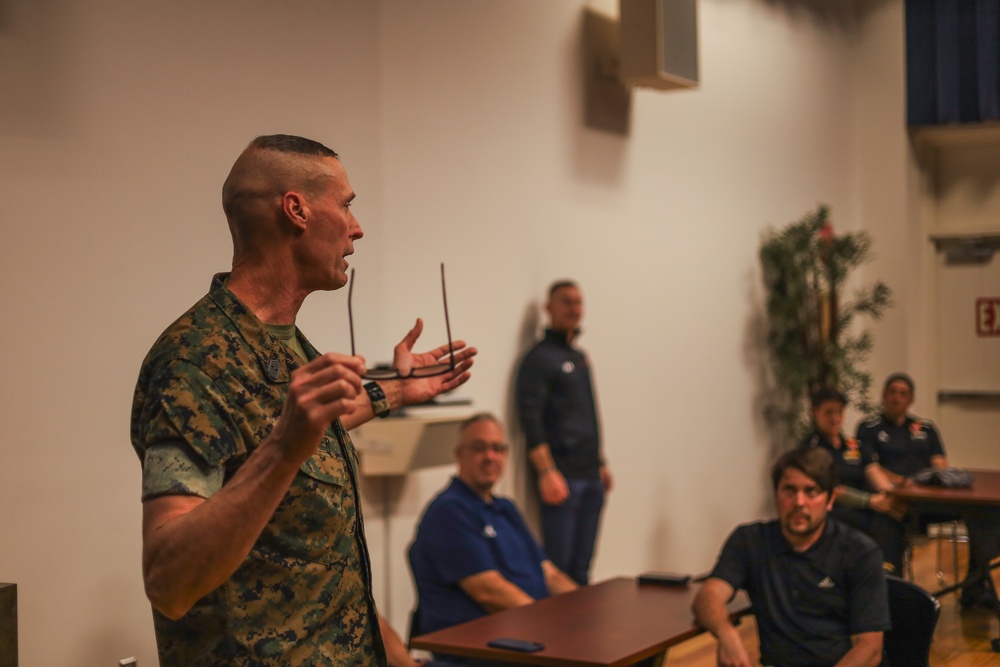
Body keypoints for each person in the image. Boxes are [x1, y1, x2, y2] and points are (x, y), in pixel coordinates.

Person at [130, 134, 477, 667]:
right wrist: (283, 448)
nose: (357, 228)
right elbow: (168, 581)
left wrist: (402, 390)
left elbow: (303, 429)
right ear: (296, 210)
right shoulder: (194, 361)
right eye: (346, 206)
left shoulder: (283, 344)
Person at [692, 447, 889, 667]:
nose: (799, 502)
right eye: (789, 490)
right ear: (776, 494)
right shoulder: (750, 541)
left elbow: (870, 649)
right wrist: (726, 633)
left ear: (831, 499)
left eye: (811, 491)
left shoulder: (859, 551)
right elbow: (708, 597)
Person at [407, 413, 578, 645]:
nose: (490, 457)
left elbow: (550, 574)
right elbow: (489, 592)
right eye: (480, 448)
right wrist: (550, 625)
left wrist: (585, 609)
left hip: (529, 632)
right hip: (484, 648)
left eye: (498, 448)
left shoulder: (506, 508)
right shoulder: (448, 512)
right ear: (459, 455)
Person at [856, 372, 998, 610]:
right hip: (898, 501)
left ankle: (977, 585)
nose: (897, 398)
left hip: (931, 500)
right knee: (888, 517)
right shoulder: (868, 428)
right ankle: (895, 597)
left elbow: (941, 467)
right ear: (883, 396)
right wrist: (895, 488)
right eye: (892, 392)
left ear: (911, 399)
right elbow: (872, 469)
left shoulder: (926, 428)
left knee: (985, 515)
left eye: (903, 394)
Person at [515, 280, 611, 585]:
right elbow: (531, 419)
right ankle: (560, 633)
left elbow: (587, 415)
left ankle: (583, 630)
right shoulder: (539, 359)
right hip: (562, 478)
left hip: (591, 475)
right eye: (566, 302)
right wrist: (546, 472)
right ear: (548, 308)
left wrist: (601, 462)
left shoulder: (579, 357)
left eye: (578, 302)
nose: (574, 308)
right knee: (559, 566)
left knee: (582, 566)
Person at [799, 387, 906, 573]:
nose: (835, 418)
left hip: (865, 508)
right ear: (815, 412)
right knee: (871, 523)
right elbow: (831, 489)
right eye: (829, 412)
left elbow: (872, 471)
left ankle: (892, 580)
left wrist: (890, 496)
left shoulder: (853, 445)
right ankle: (871, 576)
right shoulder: (811, 448)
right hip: (833, 511)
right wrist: (871, 501)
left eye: (839, 412)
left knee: (892, 516)